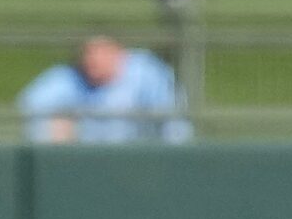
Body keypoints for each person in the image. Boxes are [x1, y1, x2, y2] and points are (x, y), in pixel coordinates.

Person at [17, 35, 190, 143]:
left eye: (101, 53)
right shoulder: (73, 77)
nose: (92, 61)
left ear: (119, 53)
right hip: (88, 163)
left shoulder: (145, 72)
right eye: (87, 54)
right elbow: (32, 101)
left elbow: (174, 124)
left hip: (141, 159)